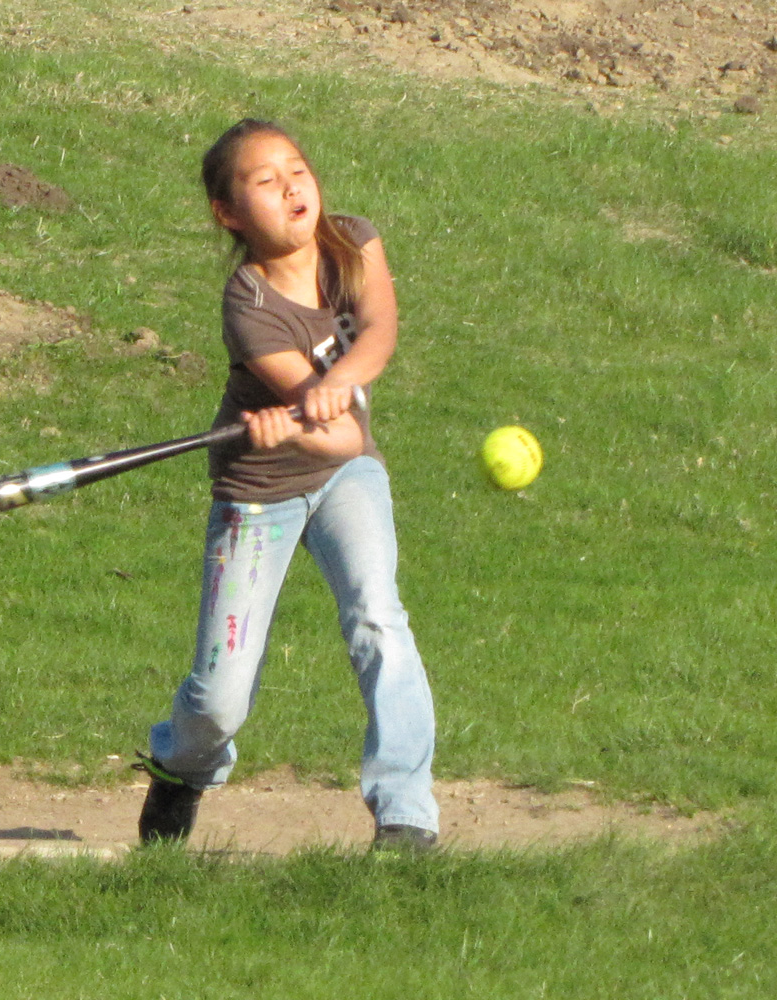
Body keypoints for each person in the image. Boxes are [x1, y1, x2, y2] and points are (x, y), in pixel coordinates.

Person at [135, 118, 439, 851]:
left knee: (377, 617)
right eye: (263, 182)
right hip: (258, 490)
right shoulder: (248, 305)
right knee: (219, 697)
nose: (290, 186)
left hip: (346, 475)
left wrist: (335, 387)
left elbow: (378, 335)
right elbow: (326, 428)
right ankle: (182, 767)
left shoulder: (352, 242)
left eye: (296, 169)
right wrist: (296, 422)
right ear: (228, 214)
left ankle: (405, 812)